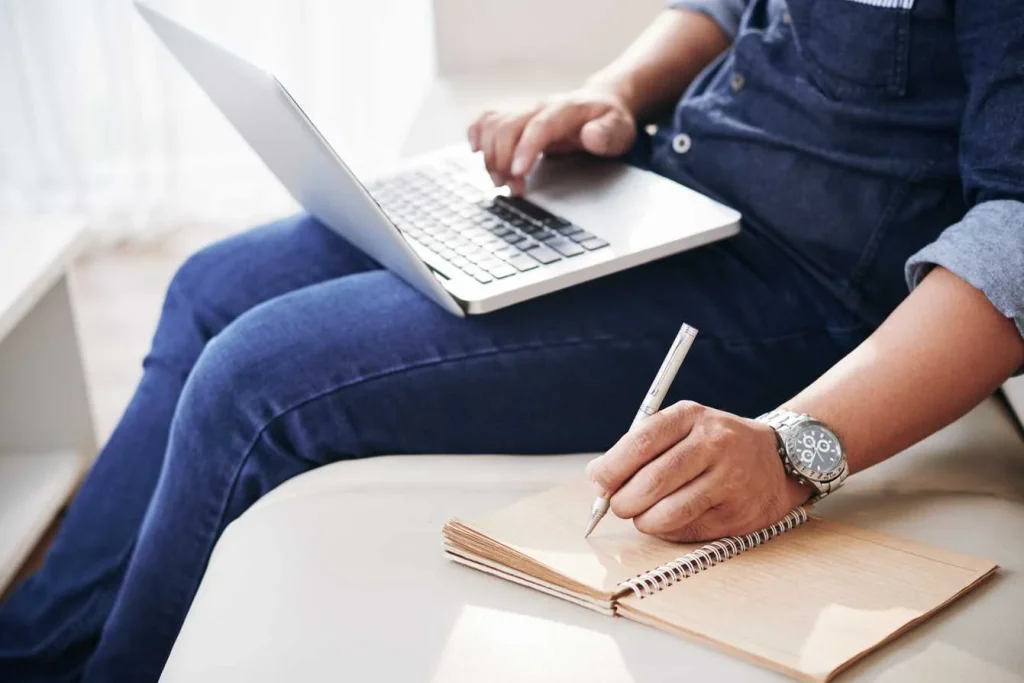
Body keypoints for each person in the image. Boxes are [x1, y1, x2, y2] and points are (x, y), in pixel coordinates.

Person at [3, 0, 1023, 680]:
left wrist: (799, 445)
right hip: (667, 191)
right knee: (212, 283)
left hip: (794, 291)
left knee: (258, 377)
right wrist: (614, 93)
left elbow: (1015, 220)